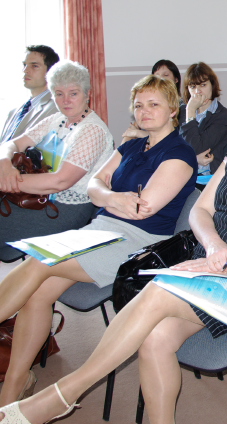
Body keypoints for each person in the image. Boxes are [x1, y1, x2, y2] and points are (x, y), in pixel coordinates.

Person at [0, 68, 227, 424]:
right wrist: (214, 247)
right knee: (155, 338)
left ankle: (64, 394)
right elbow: (201, 210)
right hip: (209, 264)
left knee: (158, 291)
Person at [0, 74, 197, 411]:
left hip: (137, 242)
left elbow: (142, 210)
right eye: (139, 105)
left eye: (154, 105)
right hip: (101, 228)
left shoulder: (180, 154)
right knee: (37, 292)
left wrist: (108, 196)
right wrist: (112, 197)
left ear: (172, 110)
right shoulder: (133, 145)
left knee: (38, 261)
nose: (145, 111)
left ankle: (10, 397)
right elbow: (95, 183)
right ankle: (12, 394)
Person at [0, 60, 114, 255]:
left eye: (73, 93)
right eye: (59, 94)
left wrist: (10, 181)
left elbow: (60, 181)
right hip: (36, 197)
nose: (66, 100)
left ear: (87, 94)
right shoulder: (57, 119)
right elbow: (12, 144)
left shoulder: (92, 130)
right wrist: (4, 165)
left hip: (63, 210)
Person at [179, 62, 227, 174]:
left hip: (207, 178)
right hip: (180, 172)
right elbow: (174, 146)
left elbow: (198, 148)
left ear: (212, 85)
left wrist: (191, 112)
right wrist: (195, 159)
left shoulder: (223, 115)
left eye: (203, 85)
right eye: (193, 87)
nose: (198, 92)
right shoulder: (182, 110)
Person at [1, 46, 60, 144]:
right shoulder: (14, 112)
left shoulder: (57, 108)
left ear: (51, 71)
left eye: (34, 66)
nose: (25, 70)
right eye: (24, 65)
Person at [121, 59, 186, 144]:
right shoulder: (143, 112)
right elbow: (125, 143)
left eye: (154, 104)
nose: (161, 79)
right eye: (138, 106)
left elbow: (177, 138)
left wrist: (138, 133)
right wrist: (128, 136)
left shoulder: (183, 107)